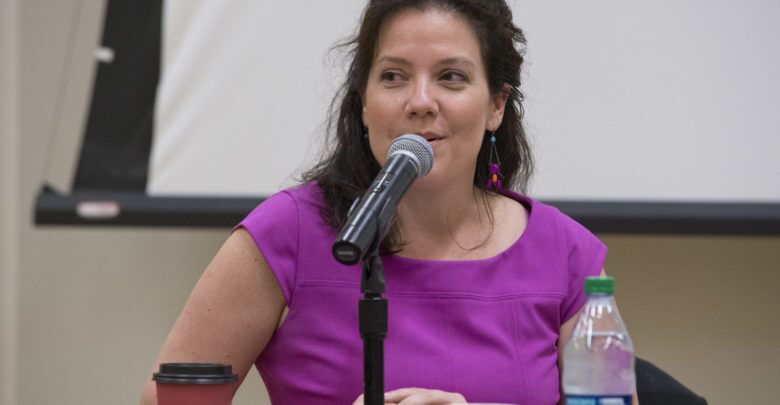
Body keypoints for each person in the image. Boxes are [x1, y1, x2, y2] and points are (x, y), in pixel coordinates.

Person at [141, 1, 638, 404]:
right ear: (362, 102)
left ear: (496, 106)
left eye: (451, 77)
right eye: (394, 77)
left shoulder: (564, 252)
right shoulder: (285, 233)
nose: (420, 101)